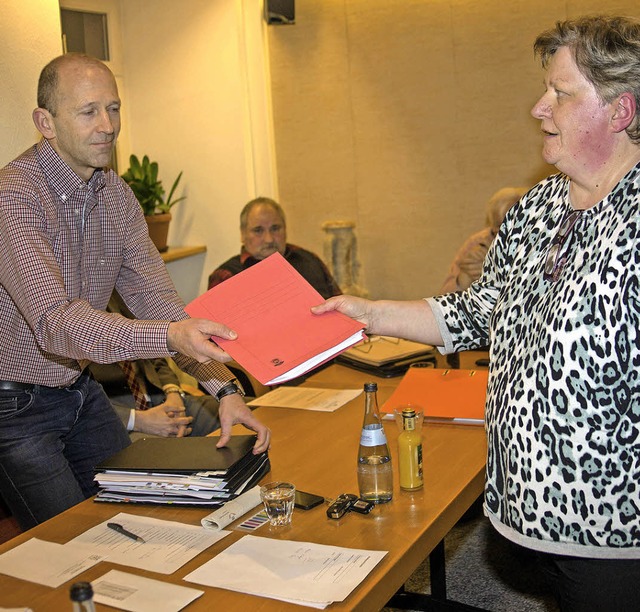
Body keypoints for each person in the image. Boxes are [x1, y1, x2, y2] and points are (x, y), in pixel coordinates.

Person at [313, 16, 640, 611]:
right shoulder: (538, 206)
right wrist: (369, 312)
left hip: (616, 534)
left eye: (561, 93)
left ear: (620, 111)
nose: (540, 108)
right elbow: (478, 310)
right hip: (528, 511)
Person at [0, 53, 269, 530]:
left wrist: (224, 389)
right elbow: (56, 326)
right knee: (70, 544)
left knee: (136, 521)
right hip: (15, 406)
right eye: (89, 112)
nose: (108, 126)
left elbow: (161, 306)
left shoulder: (117, 196)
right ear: (46, 122)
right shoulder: (13, 198)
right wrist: (169, 336)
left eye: (115, 108)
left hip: (77, 389)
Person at [208, 197, 342, 299]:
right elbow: (215, 333)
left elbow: (341, 308)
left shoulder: (310, 260)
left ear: (286, 229)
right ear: (243, 234)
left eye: (275, 228)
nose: (269, 239)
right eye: (258, 230)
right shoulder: (225, 276)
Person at [440, 187, 527, 293]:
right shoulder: (479, 242)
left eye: (513, 226)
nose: (502, 234)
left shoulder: (541, 245)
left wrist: (494, 273)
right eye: (497, 226)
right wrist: (465, 278)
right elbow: (444, 298)